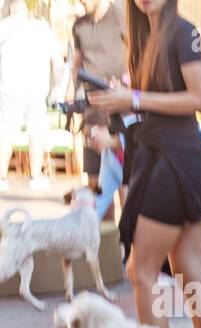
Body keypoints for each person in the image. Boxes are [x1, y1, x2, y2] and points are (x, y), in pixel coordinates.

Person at [88, 0, 201, 328]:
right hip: (164, 157)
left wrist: (132, 97)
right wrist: (121, 101)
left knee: (141, 271)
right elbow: (150, 106)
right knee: (189, 273)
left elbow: (199, 98)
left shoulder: (182, 31)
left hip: (178, 161)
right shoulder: (142, 36)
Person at [0, 0, 62, 192]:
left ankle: (1, 177)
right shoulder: (42, 27)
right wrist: (58, 86)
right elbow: (57, 58)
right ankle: (35, 176)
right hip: (36, 86)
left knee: (5, 131)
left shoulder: (3, 27)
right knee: (36, 131)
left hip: (9, 87)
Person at [72, 0, 128, 192]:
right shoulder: (79, 26)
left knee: (125, 187)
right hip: (93, 114)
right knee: (97, 189)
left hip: (121, 114)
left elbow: (138, 55)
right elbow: (77, 67)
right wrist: (74, 104)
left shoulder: (123, 16)